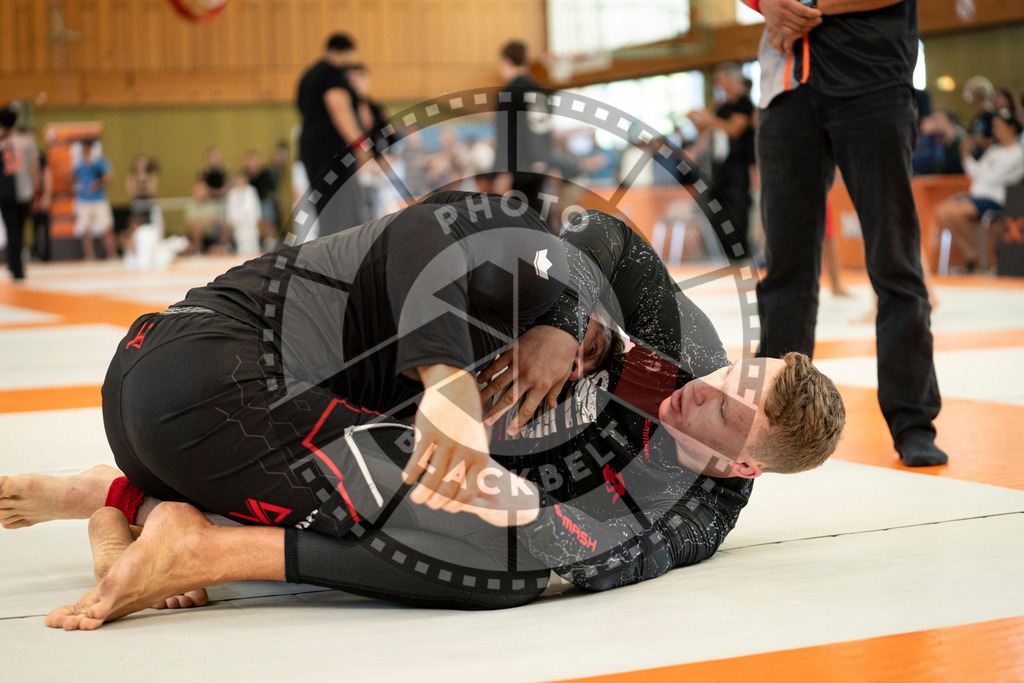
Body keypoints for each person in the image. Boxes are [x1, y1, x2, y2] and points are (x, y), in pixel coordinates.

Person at [3, 195, 844, 629]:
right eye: (744, 372)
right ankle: (189, 539)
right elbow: (604, 238)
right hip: (197, 369)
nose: (713, 389)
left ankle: (126, 498)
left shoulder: (692, 507)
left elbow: (607, 554)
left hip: (183, 419)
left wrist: (526, 511)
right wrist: (554, 325)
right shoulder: (671, 358)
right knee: (486, 521)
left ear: (743, 466)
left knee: (502, 545)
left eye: (736, 413)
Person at [750, 0, 947, 467]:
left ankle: (913, 421)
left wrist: (808, 5)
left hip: (872, 76)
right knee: (784, 268)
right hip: (785, 87)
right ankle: (769, 420)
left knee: (894, 261)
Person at [296, 32, 367, 238]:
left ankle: (332, 255)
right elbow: (340, 111)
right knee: (341, 210)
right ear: (346, 53)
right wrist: (360, 144)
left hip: (312, 150)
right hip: (332, 153)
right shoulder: (332, 75)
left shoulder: (309, 75)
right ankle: (342, 260)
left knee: (326, 208)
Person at [935, 110, 1024, 271]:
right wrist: (965, 154)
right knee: (942, 211)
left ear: (1011, 129)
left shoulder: (1018, 153)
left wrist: (982, 172)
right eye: (994, 127)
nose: (996, 130)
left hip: (996, 198)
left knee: (956, 213)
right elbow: (976, 172)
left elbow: (993, 176)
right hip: (977, 195)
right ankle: (972, 254)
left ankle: (975, 257)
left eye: (999, 126)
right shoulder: (993, 151)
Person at [688, 63, 756, 259]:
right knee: (716, 207)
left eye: (722, 79)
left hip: (739, 166)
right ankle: (727, 252)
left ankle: (741, 254)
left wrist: (709, 119)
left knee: (738, 210)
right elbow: (707, 132)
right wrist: (700, 123)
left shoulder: (743, 104)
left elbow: (735, 129)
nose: (720, 84)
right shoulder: (722, 107)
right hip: (720, 166)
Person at [493, 40, 552, 215]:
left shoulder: (510, 92)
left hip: (519, 168)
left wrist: (503, 169)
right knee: (538, 218)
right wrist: (543, 159)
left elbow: (507, 134)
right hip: (540, 166)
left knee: (518, 222)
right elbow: (546, 130)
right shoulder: (541, 90)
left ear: (505, 62)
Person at [0, 107, 38, 281]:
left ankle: (14, 265)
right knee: (20, 229)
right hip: (24, 191)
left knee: (10, 229)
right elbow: (34, 168)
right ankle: (18, 266)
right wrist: (37, 189)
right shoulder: (27, 141)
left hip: (5, 192)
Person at [73, 140, 117, 261]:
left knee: (106, 228)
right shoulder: (80, 165)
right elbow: (73, 177)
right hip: (84, 200)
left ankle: (112, 254)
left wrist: (97, 184)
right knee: (85, 230)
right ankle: (89, 256)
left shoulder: (99, 162)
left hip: (99, 199)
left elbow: (109, 177)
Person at [184, 179, 227, 254]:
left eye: (203, 189)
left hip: (211, 234)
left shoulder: (211, 204)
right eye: (199, 190)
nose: (201, 192)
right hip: (197, 234)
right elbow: (190, 222)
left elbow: (214, 220)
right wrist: (204, 221)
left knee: (223, 228)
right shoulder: (191, 205)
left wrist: (201, 221)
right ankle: (198, 251)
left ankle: (223, 247)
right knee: (196, 229)